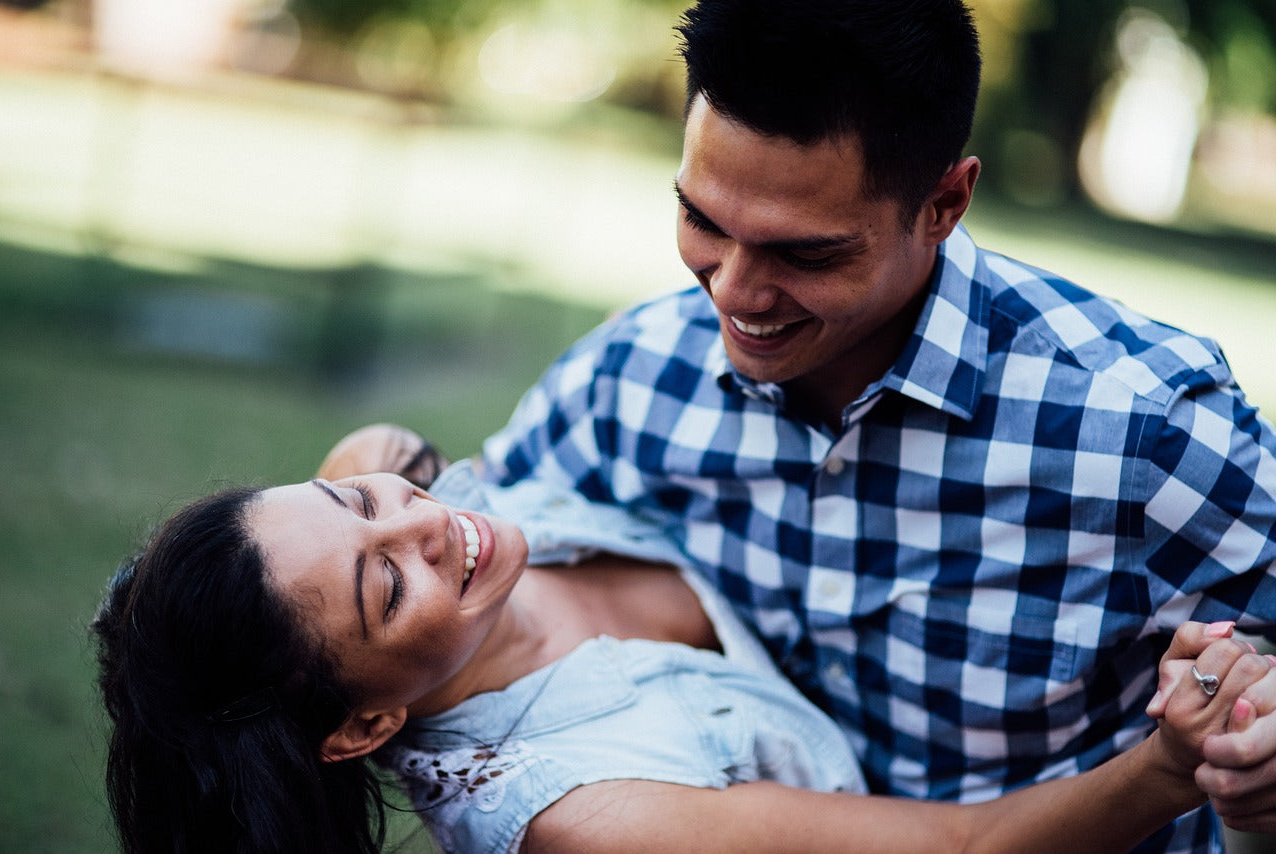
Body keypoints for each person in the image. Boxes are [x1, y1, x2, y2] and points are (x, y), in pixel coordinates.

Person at [468, 2, 1276, 851]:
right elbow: (453, 552)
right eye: (703, 221)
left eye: (804, 254)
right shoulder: (625, 383)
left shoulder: (1152, 435)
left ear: (944, 204)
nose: (734, 294)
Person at [94, 434, 1271, 854]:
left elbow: (368, 477)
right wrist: (1168, 767)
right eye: (385, 579)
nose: (423, 515)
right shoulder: (592, 810)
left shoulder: (428, 539)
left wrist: (369, 471)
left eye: (348, 499)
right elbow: (963, 846)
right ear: (363, 727)